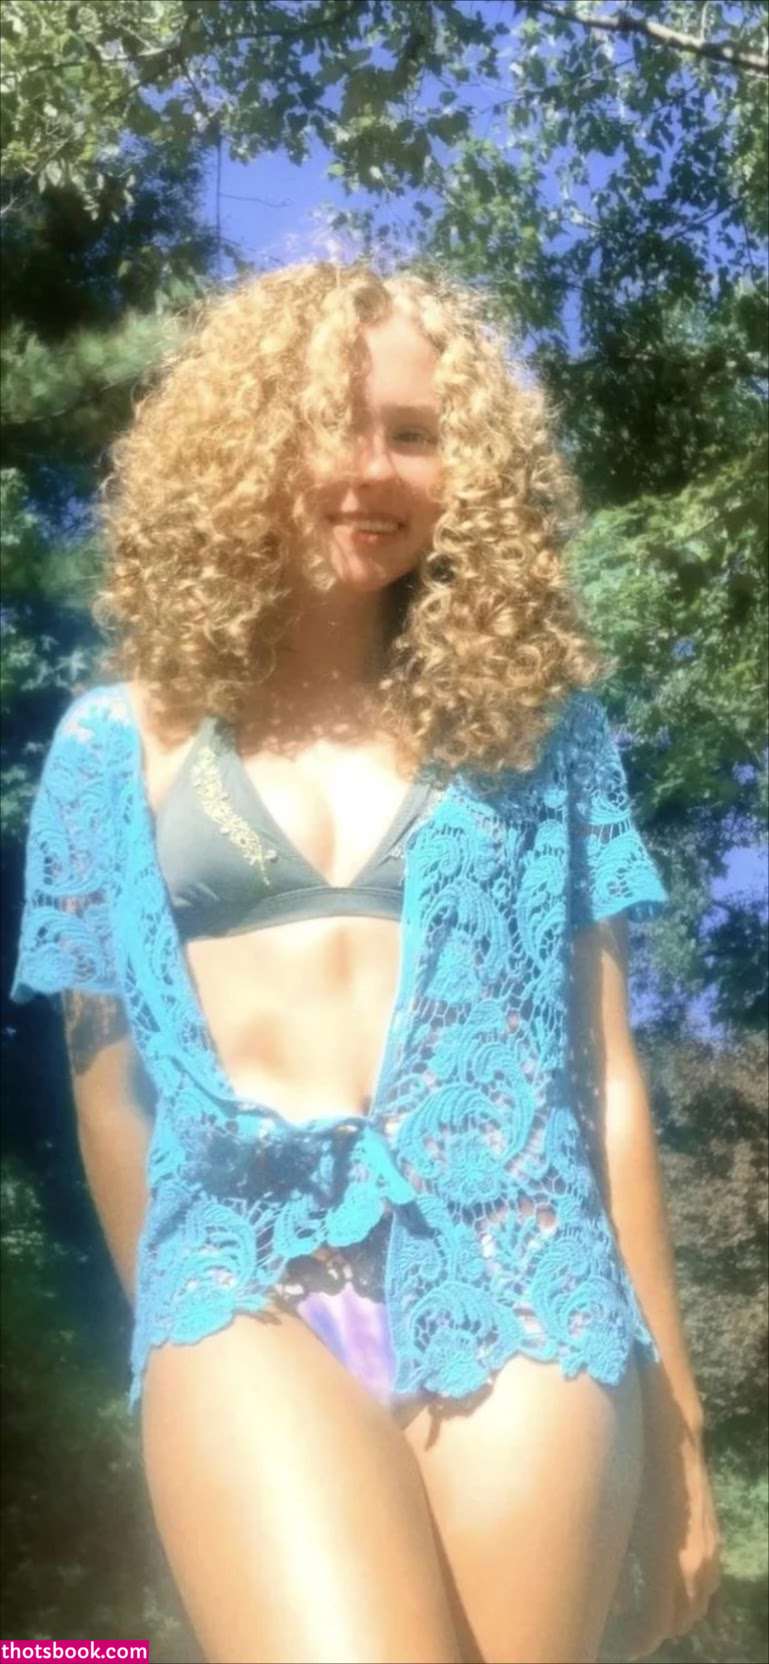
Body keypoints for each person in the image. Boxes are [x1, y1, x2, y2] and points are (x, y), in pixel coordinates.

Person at [12, 260, 721, 1664]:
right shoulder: (114, 741)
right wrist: (175, 1340)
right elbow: (110, 1096)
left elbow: (606, 1082)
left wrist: (677, 1422)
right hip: (243, 1283)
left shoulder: (544, 738)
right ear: (246, 445)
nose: (372, 470)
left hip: (521, 1271)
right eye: (333, 426)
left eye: (415, 433)